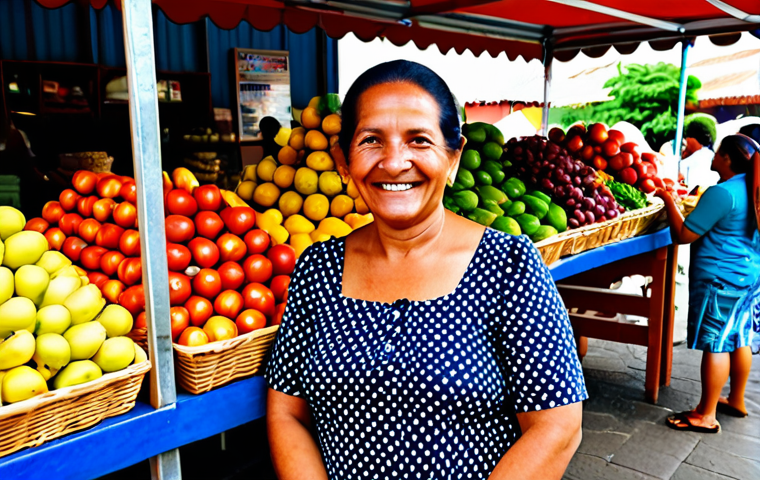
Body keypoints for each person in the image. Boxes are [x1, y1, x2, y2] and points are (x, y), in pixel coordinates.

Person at [265, 60, 586, 479]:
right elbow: (286, 413)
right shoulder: (317, 269)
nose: (394, 162)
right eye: (371, 141)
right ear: (344, 161)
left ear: (454, 157)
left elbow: (557, 426)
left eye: (419, 140)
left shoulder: (510, 266)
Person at [656, 134, 760, 433]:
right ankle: (736, 399)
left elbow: (684, 234)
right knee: (740, 337)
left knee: (715, 344)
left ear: (728, 158)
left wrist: (667, 200)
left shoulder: (723, 193)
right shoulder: (753, 190)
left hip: (720, 280)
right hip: (749, 277)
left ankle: (706, 413)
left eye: (717, 153)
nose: (713, 157)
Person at [678, 116, 721, 189]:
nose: (686, 141)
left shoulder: (687, 163)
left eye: (687, 138)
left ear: (693, 139)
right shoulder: (714, 158)